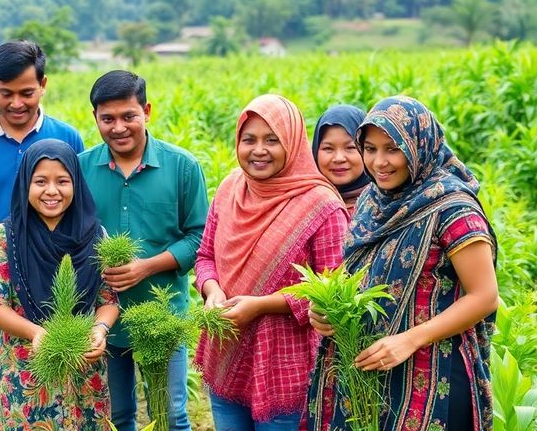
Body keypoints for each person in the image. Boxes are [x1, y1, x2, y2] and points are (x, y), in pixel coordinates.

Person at [305, 96, 499, 431]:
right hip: (369, 368)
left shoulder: (452, 208)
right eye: (370, 148)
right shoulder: (372, 199)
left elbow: (484, 296)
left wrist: (409, 339)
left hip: (435, 371)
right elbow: (356, 274)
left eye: (393, 149)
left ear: (418, 145)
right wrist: (326, 311)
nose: (379, 162)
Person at [0, 40, 85, 431]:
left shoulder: (66, 138)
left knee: (63, 378)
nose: (16, 103)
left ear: (43, 84)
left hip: (59, 282)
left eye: (26, 92)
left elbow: (81, 208)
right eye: (6, 93)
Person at [193, 95, 348, 430]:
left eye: (271, 140)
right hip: (226, 353)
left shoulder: (322, 206)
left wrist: (261, 305)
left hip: (284, 368)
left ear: (292, 142)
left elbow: (334, 292)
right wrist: (213, 290)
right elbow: (205, 256)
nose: (258, 150)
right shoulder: (231, 187)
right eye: (249, 140)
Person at [77, 70, 208, 431]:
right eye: (108, 118)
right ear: (95, 118)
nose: (118, 127)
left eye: (128, 116)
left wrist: (147, 266)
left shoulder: (182, 167)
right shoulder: (80, 168)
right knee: (115, 418)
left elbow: (200, 238)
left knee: (171, 417)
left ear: (146, 111)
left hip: (162, 317)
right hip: (101, 321)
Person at [0, 139, 119, 430]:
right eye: (40, 181)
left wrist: (99, 329)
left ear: (76, 184)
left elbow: (108, 300)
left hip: (84, 370)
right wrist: (36, 333)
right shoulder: (7, 237)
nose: (52, 191)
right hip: (26, 371)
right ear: (25, 184)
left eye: (63, 181)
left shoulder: (95, 235)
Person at [311, 104, 369, 213]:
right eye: (328, 148)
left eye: (350, 147)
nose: (339, 158)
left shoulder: (384, 206)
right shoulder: (305, 203)